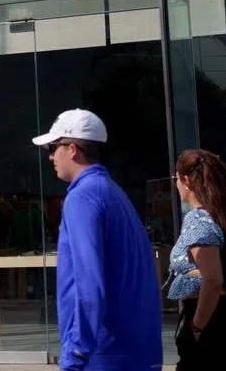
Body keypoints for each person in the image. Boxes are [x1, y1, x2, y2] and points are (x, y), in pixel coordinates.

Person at [31, 108, 162, 371]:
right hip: (136, 349)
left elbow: (88, 281)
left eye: (53, 148)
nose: (50, 157)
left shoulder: (82, 197)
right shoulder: (113, 192)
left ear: (72, 149)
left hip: (101, 354)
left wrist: (77, 349)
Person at [168, 149, 226, 371]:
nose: (176, 184)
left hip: (213, 327)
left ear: (186, 179)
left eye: (175, 179)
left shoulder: (198, 219)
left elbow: (213, 280)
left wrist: (195, 329)